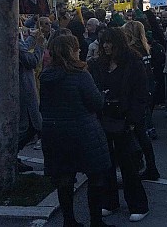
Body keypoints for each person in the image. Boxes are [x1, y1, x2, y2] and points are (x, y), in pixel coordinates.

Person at [40, 34, 112, 227]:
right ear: (71, 51)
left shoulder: (46, 75)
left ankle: (69, 221)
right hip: (83, 132)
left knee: (64, 178)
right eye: (77, 48)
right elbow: (95, 102)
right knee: (96, 176)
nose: (80, 50)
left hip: (55, 133)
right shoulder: (81, 75)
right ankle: (96, 221)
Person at [88, 28, 149, 222]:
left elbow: (141, 94)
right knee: (106, 164)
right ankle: (110, 201)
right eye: (103, 42)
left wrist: (133, 120)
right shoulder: (99, 64)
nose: (105, 46)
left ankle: (138, 204)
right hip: (104, 117)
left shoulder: (133, 63)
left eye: (109, 42)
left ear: (118, 43)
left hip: (125, 119)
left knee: (128, 164)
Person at [122, 21, 160, 181]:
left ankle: (144, 165)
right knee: (140, 132)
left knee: (137, 132)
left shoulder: (132, 50)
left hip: (137, 95)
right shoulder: (145, 47)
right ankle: (149, 166)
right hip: (146, 91)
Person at [17, 29, 45, 172]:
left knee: (33, 125)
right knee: (29, 126)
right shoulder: (12, 41)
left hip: (24, 87)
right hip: (23, 89)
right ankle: (11, 155)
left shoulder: (16, 42)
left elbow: (24, 49)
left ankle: (12, 155)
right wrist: (39, 45)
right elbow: (31, 61)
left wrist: (32, 38)